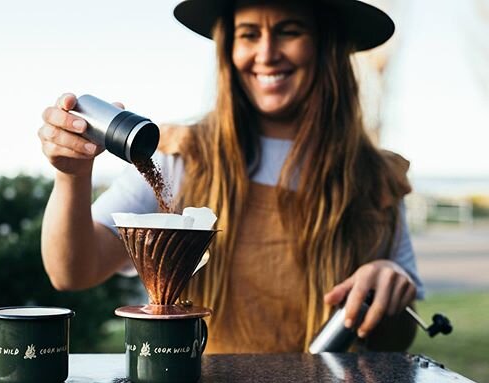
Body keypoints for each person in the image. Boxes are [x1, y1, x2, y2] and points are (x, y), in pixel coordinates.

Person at [38, 0, 423, 353]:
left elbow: (397, 341)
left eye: (289, 31)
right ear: (228, 50)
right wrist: (71, 176)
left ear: (326, 43)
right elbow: (72, 270)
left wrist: (390, 281)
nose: (267, 53)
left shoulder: (377, 178)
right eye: (249, 34)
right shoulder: (181, 159)